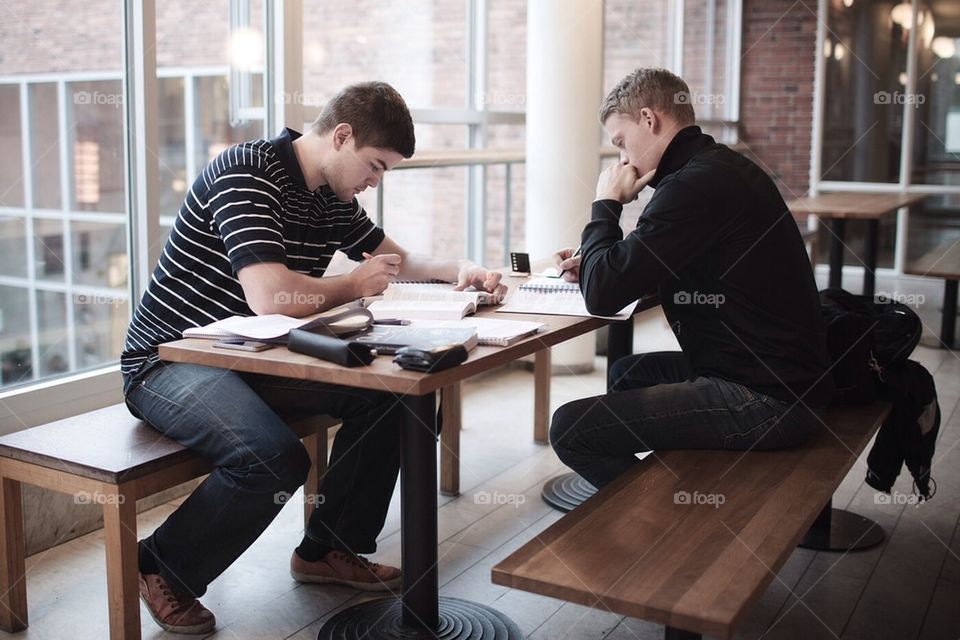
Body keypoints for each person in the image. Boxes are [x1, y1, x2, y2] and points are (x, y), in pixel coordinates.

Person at [121, 81, 506, 634]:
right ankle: (162, 564)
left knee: (402, 399)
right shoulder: (247, 171)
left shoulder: (332, 195)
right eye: (375, 166)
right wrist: (352, 286)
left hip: (259, 359)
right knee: (271, 459)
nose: (374, 182)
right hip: (171, 360)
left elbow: (395, 258)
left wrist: (459, 269)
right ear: (342, 137)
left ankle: (329, 548)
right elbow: (271, 295)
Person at [550, 68, 833, 490]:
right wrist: (596, 263)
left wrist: (604, 203)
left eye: (621, 142)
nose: (623, 160)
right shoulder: (718, 168)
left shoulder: (693, 185)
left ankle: (661, 519)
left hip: (767, 400)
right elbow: (651, 265)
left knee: (571, 428)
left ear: (649, 119)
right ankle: (656, 493)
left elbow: (603, 296)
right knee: (629, 374)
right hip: (785, 379)